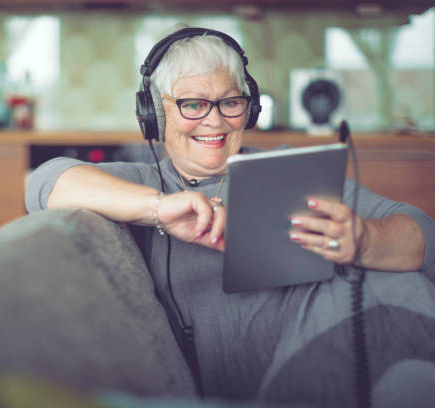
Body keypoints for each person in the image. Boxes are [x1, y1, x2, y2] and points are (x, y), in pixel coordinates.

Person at [26, 26, 435, 408]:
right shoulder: (143, 182)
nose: (215, 120)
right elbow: (43, 183)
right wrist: (158, 208)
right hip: (248, 383)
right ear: (156, 113)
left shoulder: (290, 169)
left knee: (398, 280)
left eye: (231, 102)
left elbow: (422, 236)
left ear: (250, 107)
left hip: (339, 349)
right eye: (192, 104)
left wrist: (363, 238)